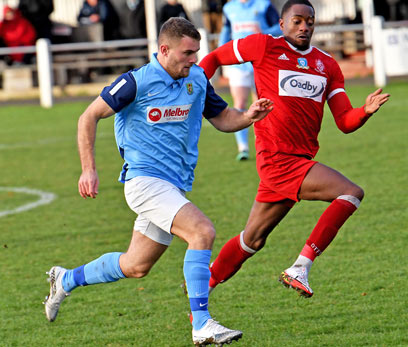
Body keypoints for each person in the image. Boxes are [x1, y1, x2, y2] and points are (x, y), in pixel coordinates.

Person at [43, 17, 272, 346]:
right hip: (144, 182)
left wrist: (247, 116)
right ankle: (202, 324)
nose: (195, 59)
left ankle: (66, 279)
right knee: (202, 231)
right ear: (164, 50)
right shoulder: (136, 82)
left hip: (172, 185)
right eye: (188, 53)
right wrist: (88, 168)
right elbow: (88, 116)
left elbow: (222, 118)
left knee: (135, 265)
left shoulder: (196, 79)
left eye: (197, 52)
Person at [199, 0, 390, 298]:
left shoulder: (327, 65)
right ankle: (300, 267)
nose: (304, 27)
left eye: (309, 22)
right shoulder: (263, 46)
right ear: (282, 23)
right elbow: (214, 58)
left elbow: (344, 121)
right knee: (351, 193)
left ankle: (202, 287)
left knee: (253, 240)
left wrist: (364, 111)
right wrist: (197, 90)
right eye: (297, 21)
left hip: (298, 160)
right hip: (276, 159)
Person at [220, 0, 282, 161]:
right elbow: (225, 31)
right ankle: (243, 148)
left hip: (261, 63)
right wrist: (220, 54)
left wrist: (264, 31)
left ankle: (264, 145)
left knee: (263, 105)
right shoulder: (229, 8)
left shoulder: (264, 5)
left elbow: (280, 27)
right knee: (239, 104)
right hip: (238, 65)